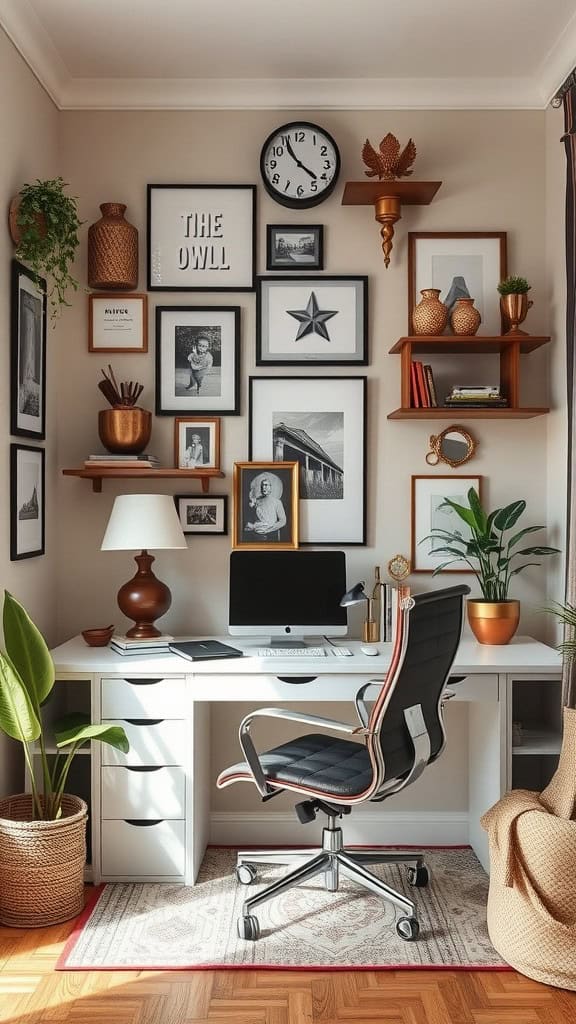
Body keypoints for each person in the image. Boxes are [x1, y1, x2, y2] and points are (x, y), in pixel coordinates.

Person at [244, 474, 287, 540]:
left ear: (270, 487)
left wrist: (269, 528)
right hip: (256, 536)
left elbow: (283, 521)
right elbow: (249, 519)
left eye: (266, 485)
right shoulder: (256, 501)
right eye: (262, 485)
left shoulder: (277, 502)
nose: (264, 487)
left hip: (272, 535)